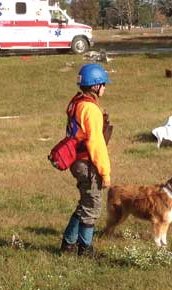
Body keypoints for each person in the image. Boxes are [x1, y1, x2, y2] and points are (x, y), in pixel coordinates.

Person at [60, 64, 112, 257]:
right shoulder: (90, 109)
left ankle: (68, 245)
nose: (105, 88)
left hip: (76, 161)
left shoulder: (77, 102)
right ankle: (85, 251)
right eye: (104, 84)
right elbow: (96, 143)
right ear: (95, 86)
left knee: (85, 203)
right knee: (92, 206)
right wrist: (104, 173)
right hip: (87, 163)